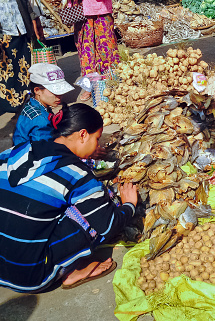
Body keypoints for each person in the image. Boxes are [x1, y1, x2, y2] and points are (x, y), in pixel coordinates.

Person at [0, 103, 138, 292]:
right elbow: (108, 225)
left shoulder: (17, 151)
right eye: (96, 138)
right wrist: (129, 204)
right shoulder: (77, 175)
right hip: (31, 276)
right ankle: (71, 270)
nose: (97, 145)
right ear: (82, 134)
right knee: (102, 206)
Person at [0, 0, 45, 114]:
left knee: (22, 65)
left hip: (19, 25)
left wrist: (33, 20)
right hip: (4, 30)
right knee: (7, 68)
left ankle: (22, 101)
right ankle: (10, 104)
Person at [13, 63, 74, 145]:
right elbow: (44, 150)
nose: (59, 97)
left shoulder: (32, 104)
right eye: (54, 92)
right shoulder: (41, 119)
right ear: (37, 90)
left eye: (60, 92)